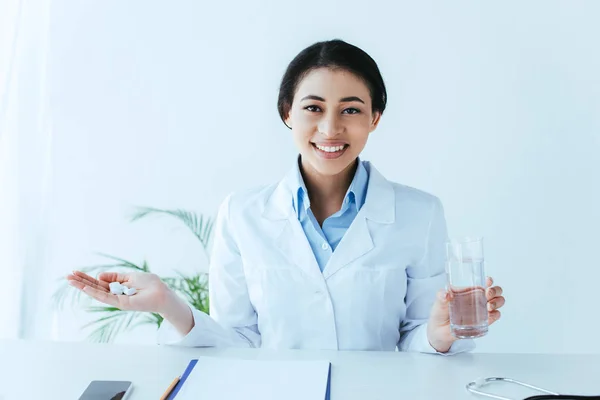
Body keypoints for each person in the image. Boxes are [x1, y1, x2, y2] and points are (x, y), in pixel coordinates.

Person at [67, 39, 505, 354]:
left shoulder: (420, 213)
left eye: (351, 110)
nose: (331, 129)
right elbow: (238, 340)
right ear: (286, 113)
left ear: (374, 118)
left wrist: (440, 334)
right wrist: (167, 303)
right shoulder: (242, 213)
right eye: (313, 108)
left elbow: (415, 338)